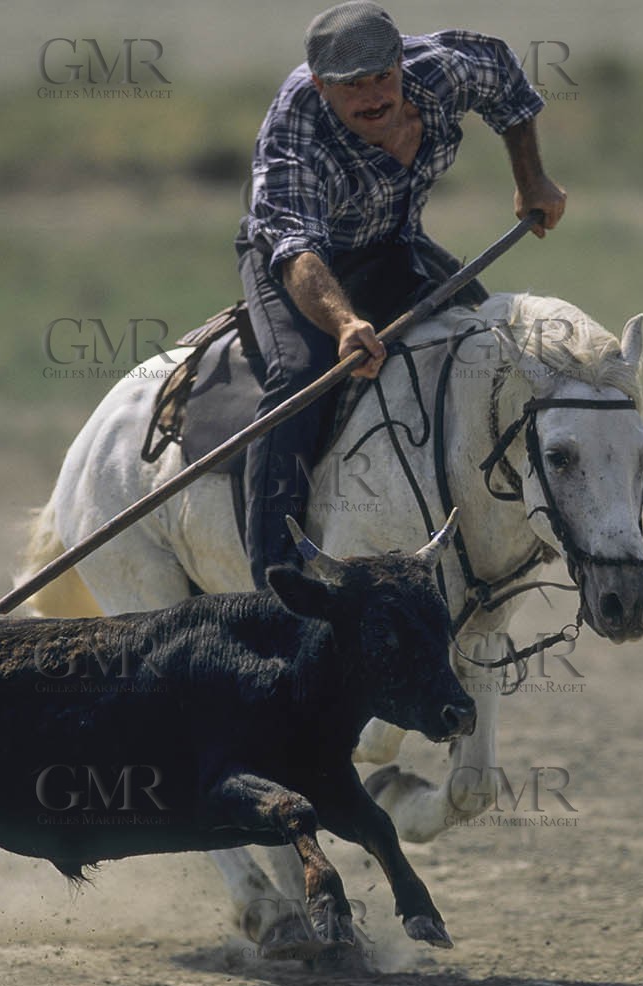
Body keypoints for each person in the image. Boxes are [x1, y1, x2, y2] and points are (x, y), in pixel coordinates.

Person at [237, 0, 567, 589]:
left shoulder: (442, 69)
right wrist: (343, 326)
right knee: (300, 375)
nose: (373, 97)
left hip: (392, 244)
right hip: (299, 265)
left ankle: (524, 519)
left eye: (382, 77)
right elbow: (297, 250)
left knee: (491, 344)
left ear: (400, 64)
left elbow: (506, 81)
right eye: (351, 87)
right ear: (320, 85)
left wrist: (530, 179)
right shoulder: (297, 128)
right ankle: (275, 581)